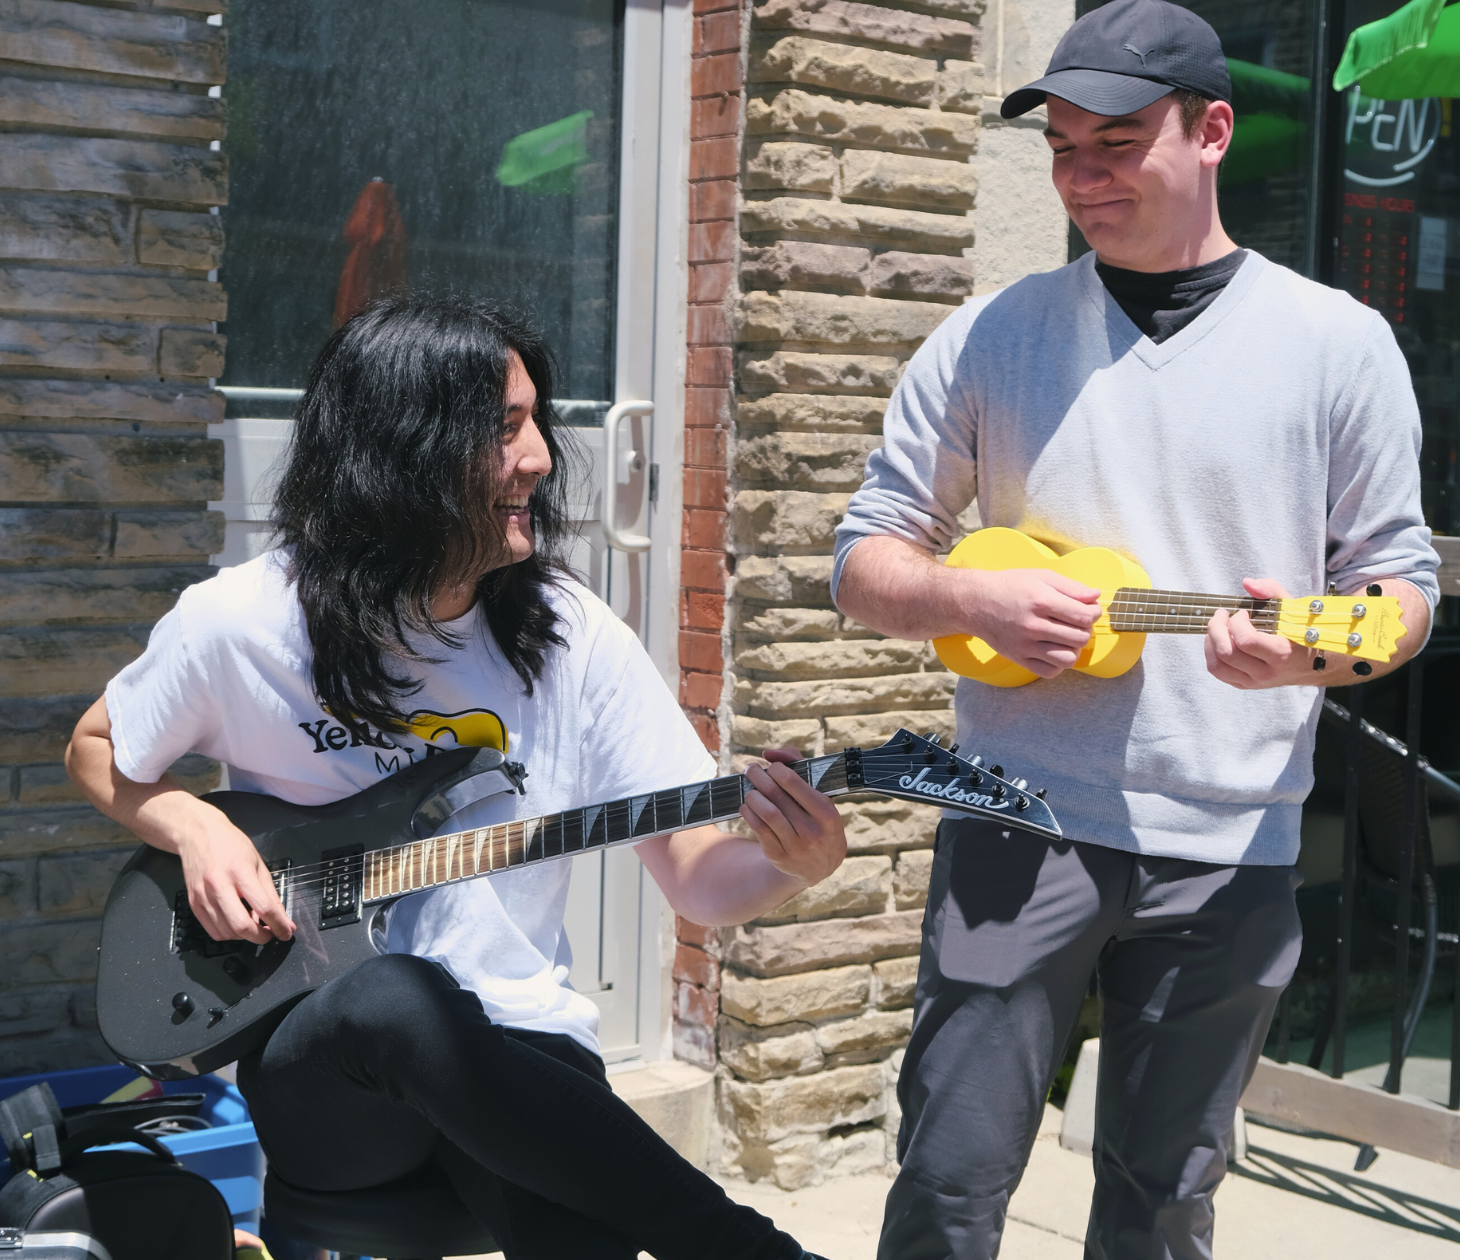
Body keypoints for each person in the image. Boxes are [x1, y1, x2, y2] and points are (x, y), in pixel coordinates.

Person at [832, 1, 1441, 1256]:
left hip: (1230, 834)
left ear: (1211, 130)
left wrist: (1316, 652)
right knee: (945, 1176)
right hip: (1012, 815)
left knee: (1163, 1198)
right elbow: (861, 560)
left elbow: (1396, 591)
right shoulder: (991, 334)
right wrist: (963, 595)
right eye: (1060, 147)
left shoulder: (1338, 344)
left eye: (1114, 141)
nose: (1081, 175)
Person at [67, 296, 847, 1260]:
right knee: (401, 998)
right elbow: (96, 747)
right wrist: (196, 827)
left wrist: (793, 866)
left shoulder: (572, 634)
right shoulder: (243, 621)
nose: (543, 460)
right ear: (404, 446)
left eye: (536, 422)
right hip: (328, 1063)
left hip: (519, 1046)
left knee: (557, 1177)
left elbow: (695, 874)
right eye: (503, 429)